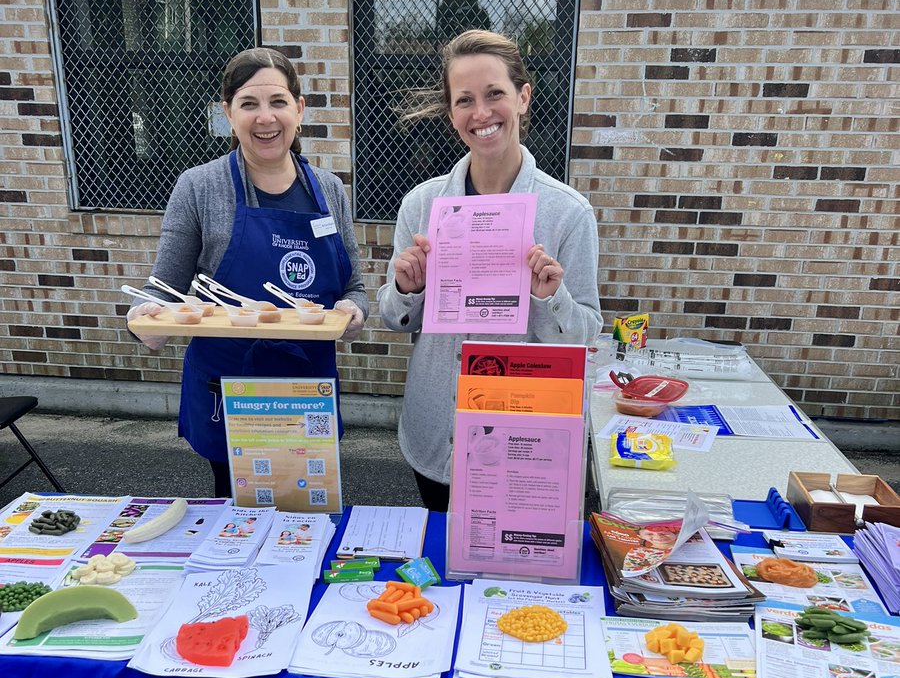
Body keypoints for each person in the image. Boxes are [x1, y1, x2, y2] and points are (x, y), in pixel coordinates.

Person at [377, 29, 602, 511]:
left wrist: (548, 297)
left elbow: (585, 335)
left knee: (510, 566)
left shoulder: (567, 212)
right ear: (451, 111)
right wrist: (406, 288)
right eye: (465, 100)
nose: (481, 114)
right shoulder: (423, 204)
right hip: (437, 424)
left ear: (523, 97)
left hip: (525, 431)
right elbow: (394, 318)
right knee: (441, 565)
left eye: (495, 94)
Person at [127, 48, 368, 496]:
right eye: (249, 104)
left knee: (306, 511)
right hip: (230, 386)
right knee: (236, 520)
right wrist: (145, 318)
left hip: (305, 384)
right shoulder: (199, 186)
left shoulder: (329, 190)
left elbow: (353, 285)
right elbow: (161, 289)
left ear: (299, 108)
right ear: (227, 112)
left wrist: (352, 311)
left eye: (278, 102)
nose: (265, 118)